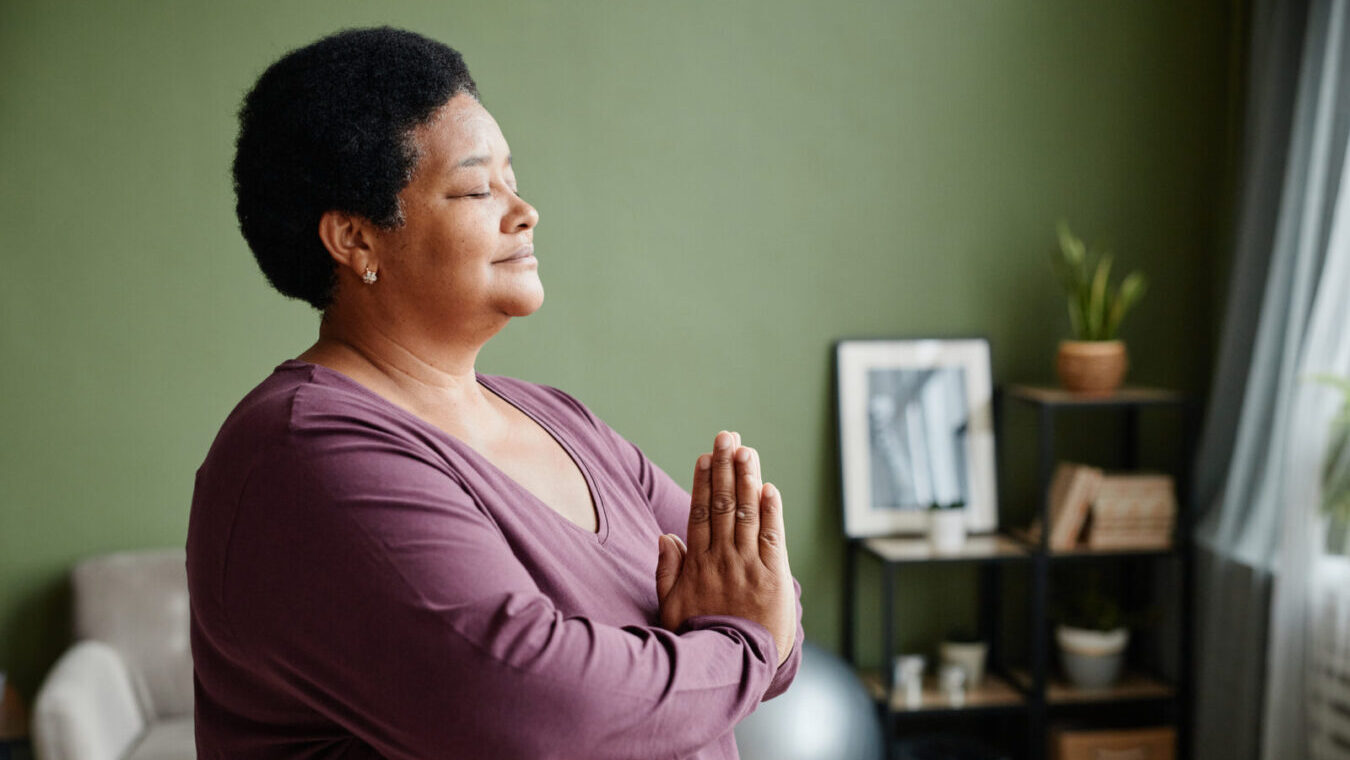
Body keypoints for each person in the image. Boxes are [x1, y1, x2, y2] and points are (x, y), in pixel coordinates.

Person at [186, 26, 804, 760]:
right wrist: (738, 644)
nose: (524, 210)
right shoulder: (303, 453)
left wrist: (749, 634)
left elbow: (775, 615)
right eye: (479, 188)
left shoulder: (560, 419)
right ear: (355, 240)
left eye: (513, 179)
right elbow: (536, 710)